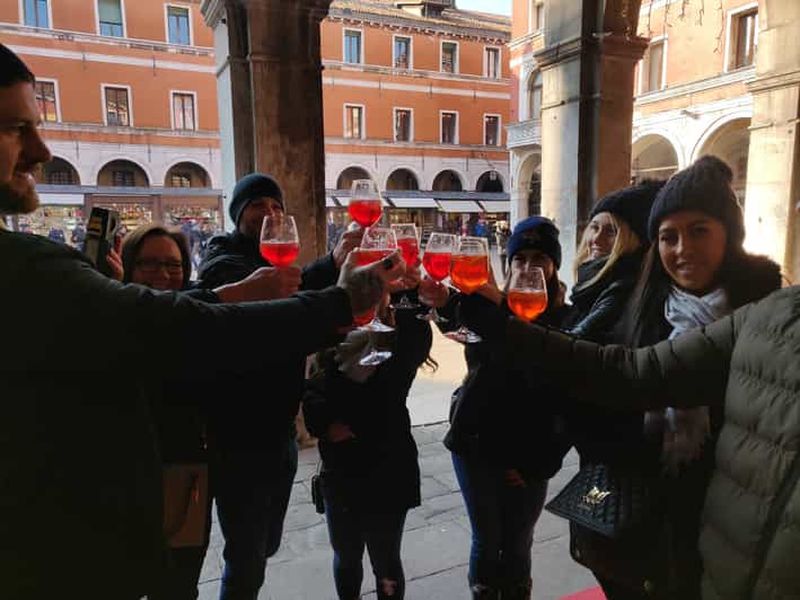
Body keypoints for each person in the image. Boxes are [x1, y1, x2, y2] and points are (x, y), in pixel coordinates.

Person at [0, 43, 403, 599]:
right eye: (16, 128)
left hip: (235, 451)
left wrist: (332, 271)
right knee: (216, 561)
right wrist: (343, 300)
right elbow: (190, 327)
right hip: (77, 536)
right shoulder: (27, 270)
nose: (41, 150)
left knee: (235, 554)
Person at [456, 174, 792, 600]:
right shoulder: (646, 302)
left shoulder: (765, 314)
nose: (683, 248)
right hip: (635, 522)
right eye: (669, 236)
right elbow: (613, 377)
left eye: (699, 230)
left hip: (729, 532)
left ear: (731, 232)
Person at [196, 173, 364, 600]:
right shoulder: (223, 261)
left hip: (279, 429)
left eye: (276, 206)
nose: (269, 213)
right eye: (257, 206)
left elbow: (296, 291)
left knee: (266, 541)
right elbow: (283, 311)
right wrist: (335, 288)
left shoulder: (276, 269)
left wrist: (332, 261)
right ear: (238, 214)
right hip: (238, 436)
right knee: (247, 554)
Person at [427, 217, 572, 600]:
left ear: (554, 265)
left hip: (530, 452)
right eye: (519, 258)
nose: (528, 267)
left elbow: (556, 394)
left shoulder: (564, 318)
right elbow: (457, 324)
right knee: (487, 541)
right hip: (477, 444)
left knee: (519, 542)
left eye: (539, 258)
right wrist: (443, 305)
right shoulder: (489, 304)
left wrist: (533, 463)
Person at [557, 181, 664, 596]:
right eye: (594, 227)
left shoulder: (621, 289)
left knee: (617, 563)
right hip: (602, 450)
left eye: (612, 231)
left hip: (619, 458)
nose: (596, 239)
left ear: (637, 240)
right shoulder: (596, 284)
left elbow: (566, 354)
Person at [303, 269, 432, 600]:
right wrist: (324, 425)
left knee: (385, 559)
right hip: (342, 471)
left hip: (387, 468)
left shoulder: (394, 343)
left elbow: (417, 339)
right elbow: (309, 394)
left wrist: (408, 288)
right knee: (346, 558)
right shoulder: (328, 343)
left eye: (373, 298)